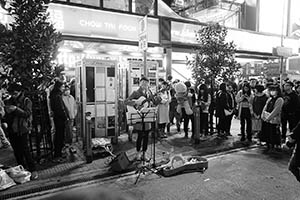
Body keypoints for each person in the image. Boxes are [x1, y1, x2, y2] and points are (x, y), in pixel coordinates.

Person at [4, 83, 38, 180]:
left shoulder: (26, 101)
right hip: (11, 129)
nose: (13, 95)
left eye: (15, 93)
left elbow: (27, 114)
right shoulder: (8, 101)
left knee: (25, 150)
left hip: (22, 129)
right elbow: (6, 116)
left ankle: (33, 169)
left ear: (20, 92)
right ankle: (21, 170)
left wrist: (16, 109)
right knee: (17, 151)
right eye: (11, 93)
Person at [125, 77, 154, 161]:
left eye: (146, 83)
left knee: (146, 137)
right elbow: (126, 101)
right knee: (140, 136)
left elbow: (152, 103)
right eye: (143, 83)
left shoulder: (149, 93)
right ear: (140, 84)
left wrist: (154, 101)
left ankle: (144, 153)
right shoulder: (136, 93)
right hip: (139, 117)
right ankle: (138, 153)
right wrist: (136, 102)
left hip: (147, 118)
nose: (145, 85)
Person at [260, 85, 284, 153]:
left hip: (274, 120)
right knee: (267, 133)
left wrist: (269, 117)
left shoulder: (279, 99)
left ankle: (274, 146)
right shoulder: (270, 99)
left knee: (273, 133)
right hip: (266, 119)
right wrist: (263, 115)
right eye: (271, 90)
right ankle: (268, 145)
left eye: (274, 90)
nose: (272, 92)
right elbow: (265, 107)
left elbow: (276, 110)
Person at [50, 80, 68, 162]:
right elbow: (60, 109)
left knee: (59, 136)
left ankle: (58, 153)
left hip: (57, 118)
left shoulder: (54, 95)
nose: (64, 88)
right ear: (59, 87)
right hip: (59, 119)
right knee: (59, 136)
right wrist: (65, 117)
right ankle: (58, 154)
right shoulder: (57, 96)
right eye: (63, 86)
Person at [62, 85, 77, 154]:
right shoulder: (62, 98)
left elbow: (75, 107)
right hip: (66, 118)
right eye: (66, 90)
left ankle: (70, 144)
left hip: (72, 117)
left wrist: (74, 114)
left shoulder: (72, 98)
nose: (67, 91)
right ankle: (66, 144)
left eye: (68, 90)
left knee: (70, 131)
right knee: (67, 131)